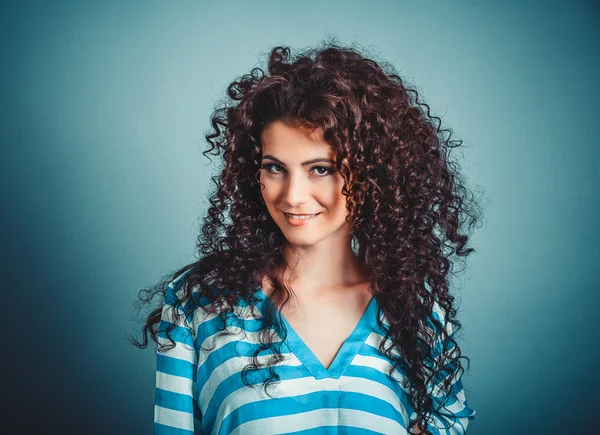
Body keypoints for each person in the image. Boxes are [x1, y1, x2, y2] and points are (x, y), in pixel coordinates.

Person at [132, 39, 484, 435]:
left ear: (373, 175)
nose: (293, 196)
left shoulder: (416, 313)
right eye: (275, 168)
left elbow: (448, 422)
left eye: (320, 169)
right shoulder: (199, 302)